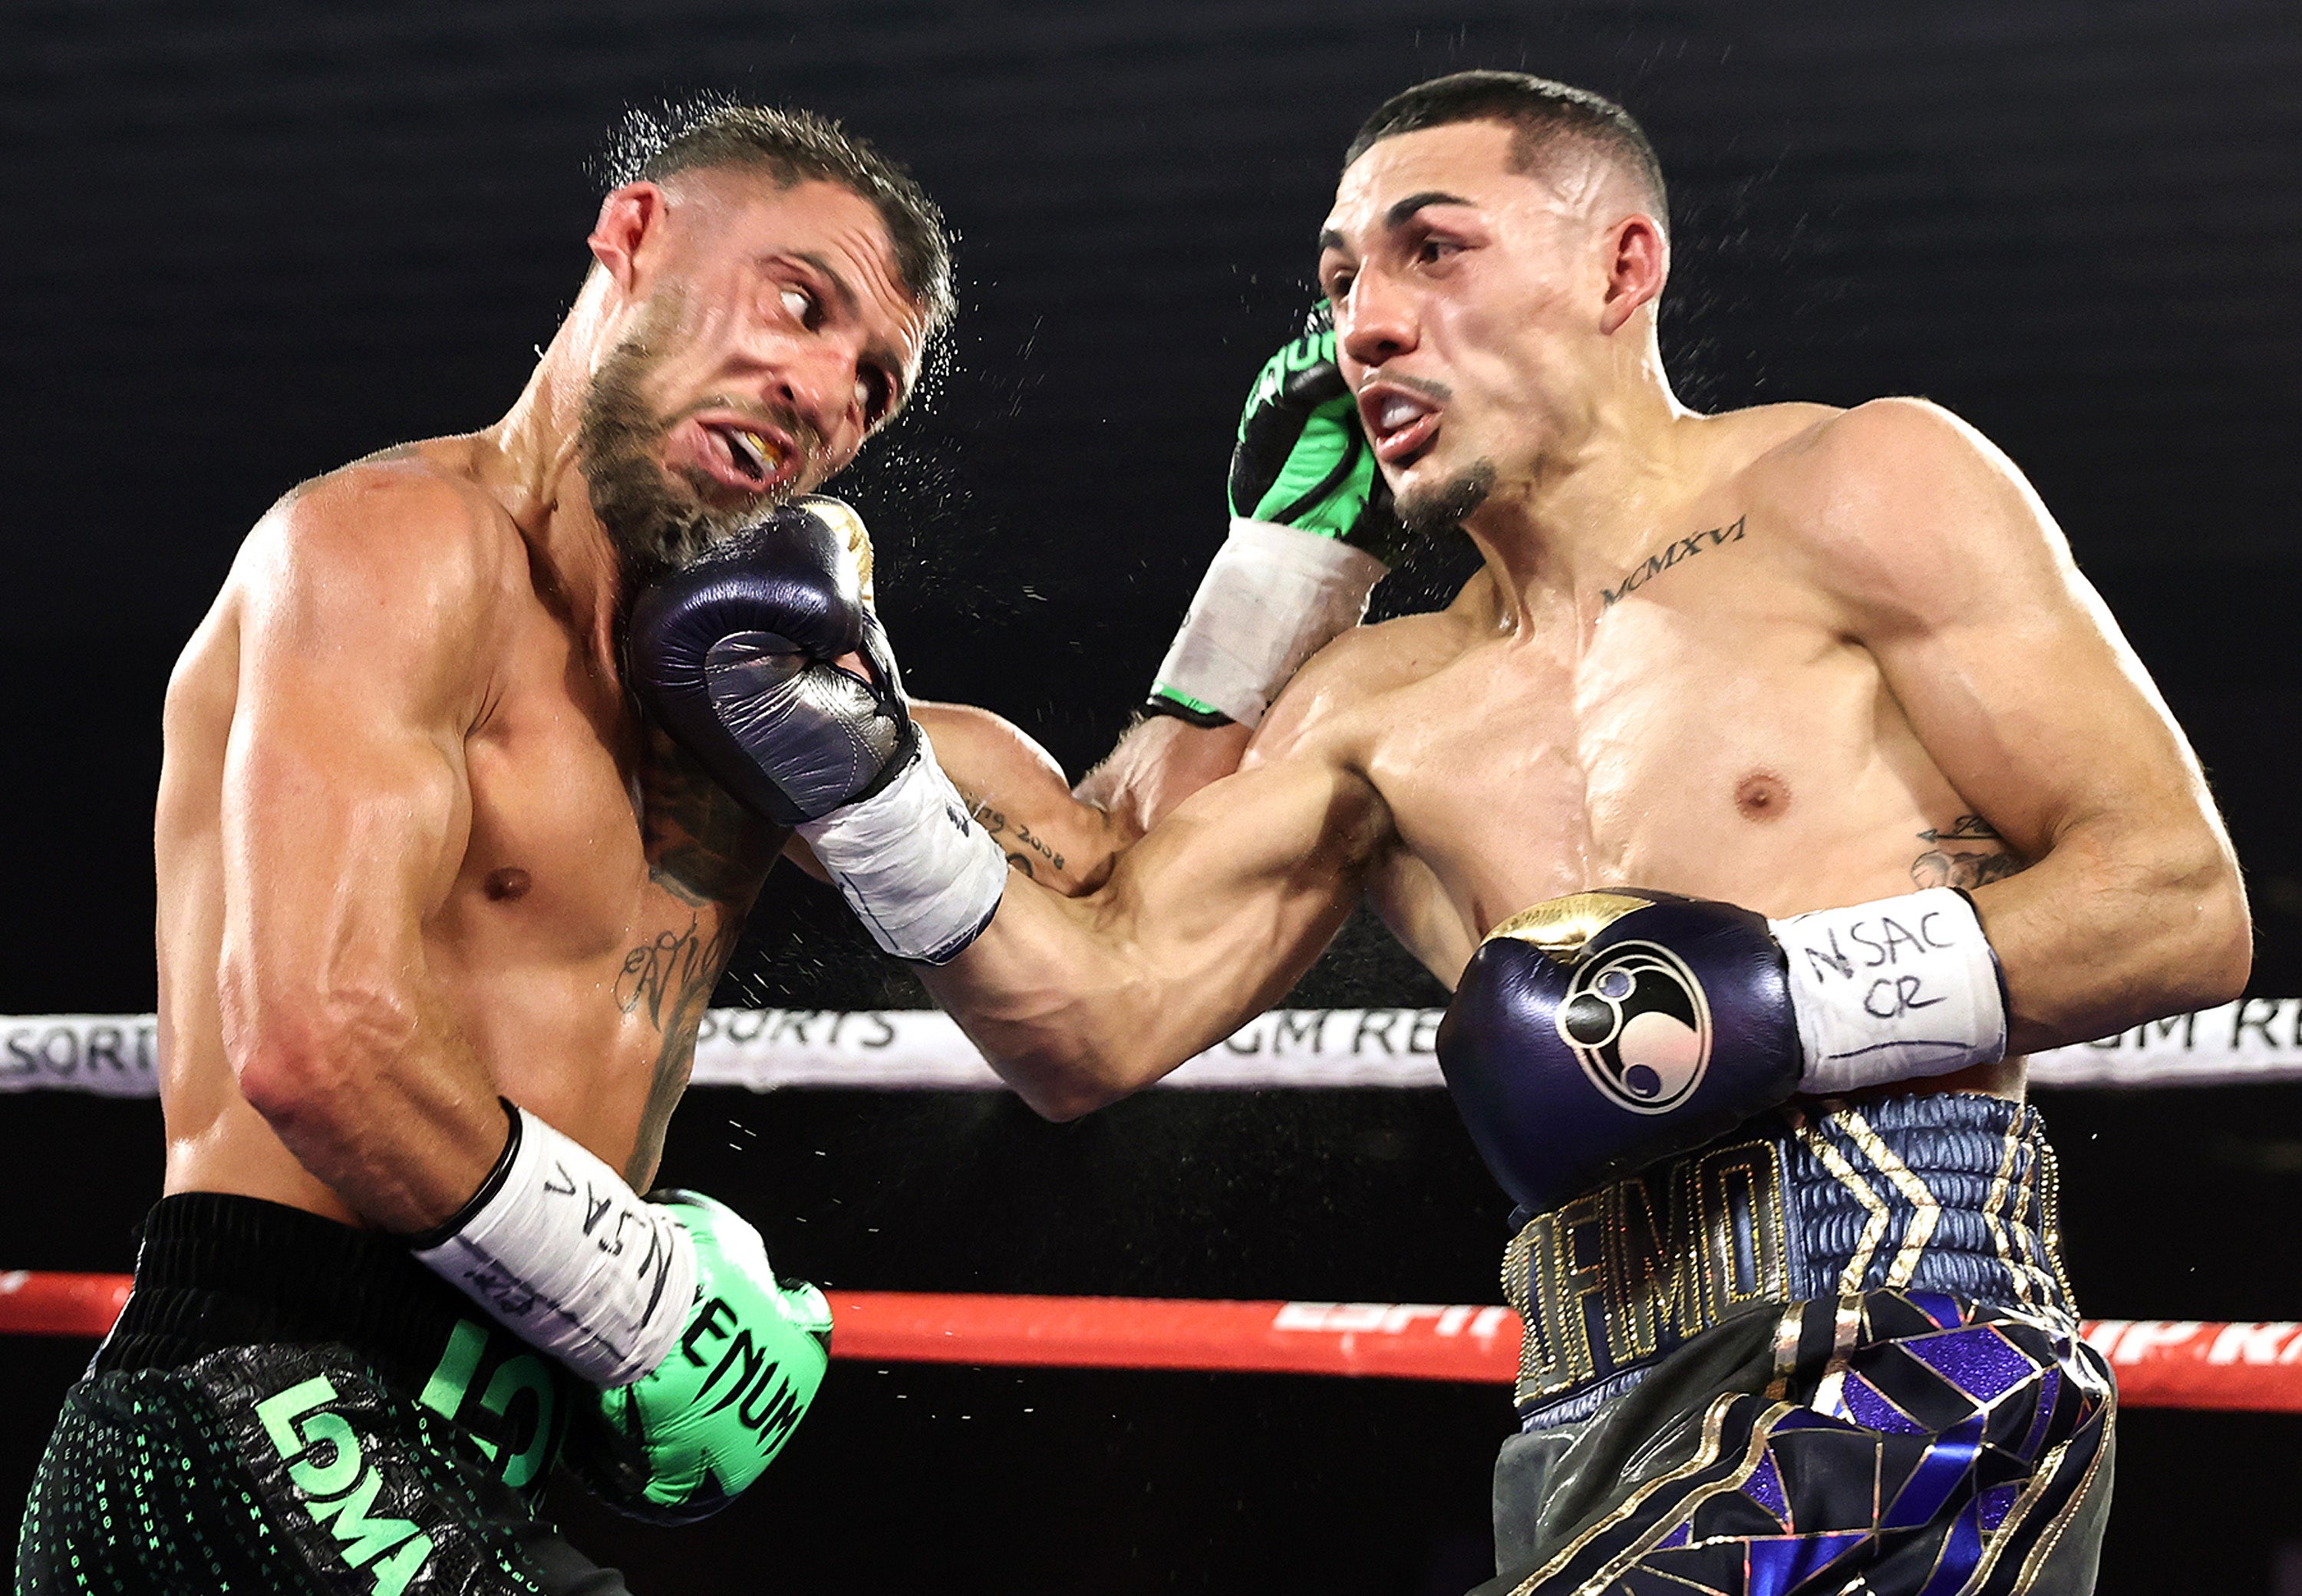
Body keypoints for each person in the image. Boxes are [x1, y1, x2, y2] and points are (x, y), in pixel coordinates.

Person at [635, 73, 2251, 1593]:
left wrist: (1767, 1003)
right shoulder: (1380, 701)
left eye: (1432, 249)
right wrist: (863, 784)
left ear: (1624, 266)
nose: (1370, 322)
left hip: (1912, 1359)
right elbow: (1092, 1010)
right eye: (1340, 282)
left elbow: (2180, 901)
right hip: (1581, 1415)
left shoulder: (1857, 485)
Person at [16, 102, 971, 1595]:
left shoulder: (746, 716)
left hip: (473, 1455)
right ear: (634, 235)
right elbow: (315, 1038)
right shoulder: (394, 545)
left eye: (872, 381)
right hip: (251, 1411)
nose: (822, 385)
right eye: (798, 298)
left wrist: (1288, 566)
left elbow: (1098, 904)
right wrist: (646, 1299)